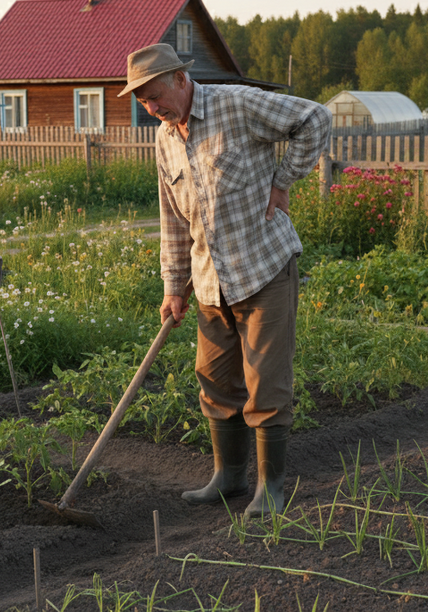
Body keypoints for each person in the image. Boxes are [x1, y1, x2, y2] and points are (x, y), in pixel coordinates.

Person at [117, 43, 330, 517]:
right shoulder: (165, 137)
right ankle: (228, 476)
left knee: (266, 384)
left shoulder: (236, 103)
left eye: (156, 96)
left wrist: (284, 179)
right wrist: (174, 287)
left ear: (178, 79)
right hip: (210, 282)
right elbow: (171, 219)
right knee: (215, 382)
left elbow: (315, 118)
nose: (152, 109)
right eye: (143, 103)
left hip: (264, 269)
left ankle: (269, 488)